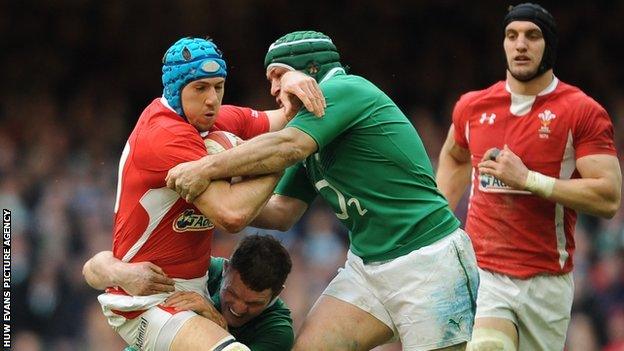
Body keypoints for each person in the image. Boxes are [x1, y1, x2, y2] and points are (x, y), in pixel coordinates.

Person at [166, 30, 480, 351]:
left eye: (278, 77)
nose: (273, 89)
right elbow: (282, 212)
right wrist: (218, 201)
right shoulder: (311, 132)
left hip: (428, 260)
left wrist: (204, 168)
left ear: (308, 70)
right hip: (367, 268)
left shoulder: (344, 89)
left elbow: (288, 146)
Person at [95, 36, 324, 351]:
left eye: (218, 86)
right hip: (147, 301)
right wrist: (276, 159)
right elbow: (232, 216)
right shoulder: (165, 135)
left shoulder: (210, 122)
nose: (212, 99)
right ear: (176, 90)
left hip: (190, 295)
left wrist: (291, 79)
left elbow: (285, 119)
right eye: (200, 88)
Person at [435, 4, 622, 351]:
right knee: (486, 346)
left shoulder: (581, 111)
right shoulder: (473, 107)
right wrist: (438, 222)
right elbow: (454, 154)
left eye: (532, 36)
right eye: (511, 36)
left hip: (547, 280)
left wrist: (529, 180)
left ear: (548, 45)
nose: (520, 44)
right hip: (485, 270)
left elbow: (609, 197)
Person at [83, 234, 295, 351]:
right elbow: (91, 270)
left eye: (254, 303)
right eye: (232, 293)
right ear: (226, 269)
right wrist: (122, 273)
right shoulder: (202, 271)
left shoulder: (278, 332)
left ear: (276, 294)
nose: (239, 307)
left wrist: (214, 319)